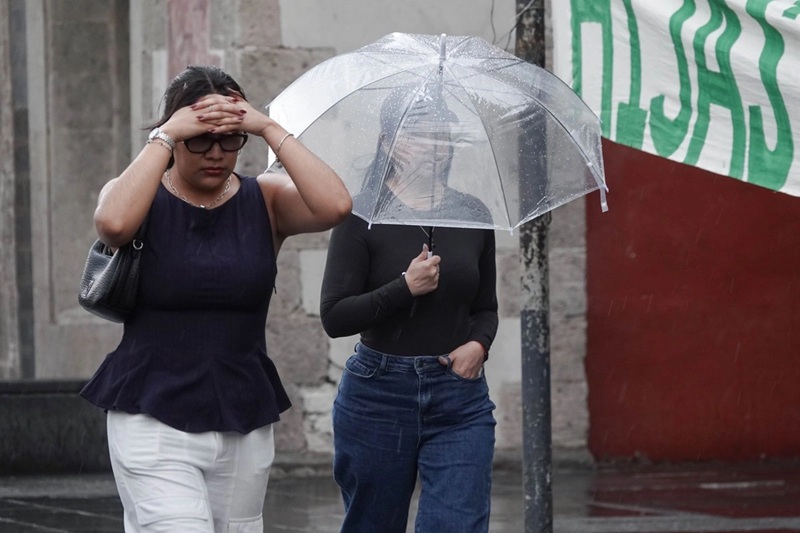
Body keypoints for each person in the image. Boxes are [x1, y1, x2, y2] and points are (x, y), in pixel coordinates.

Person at [80, 65, 351, 532]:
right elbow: (114, 225)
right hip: (151, 414)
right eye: (201, 139)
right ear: (176, 136)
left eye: (230, 140)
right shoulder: (142, 195)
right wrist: (164, 136)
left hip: (242, 415)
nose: (217, 153)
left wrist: (267, 126)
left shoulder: (263, 198)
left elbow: (336, 205)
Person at [319, 87, 499, 533]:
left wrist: (479, 343)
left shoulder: (472, 213)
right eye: (422, 134)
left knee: (456, 524)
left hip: (459, 395)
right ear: (389, 143)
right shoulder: (361, 217)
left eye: (444, 135)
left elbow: (487, 306)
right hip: (378, 393)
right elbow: (335, 316)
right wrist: (404, 287)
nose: (438, 146)